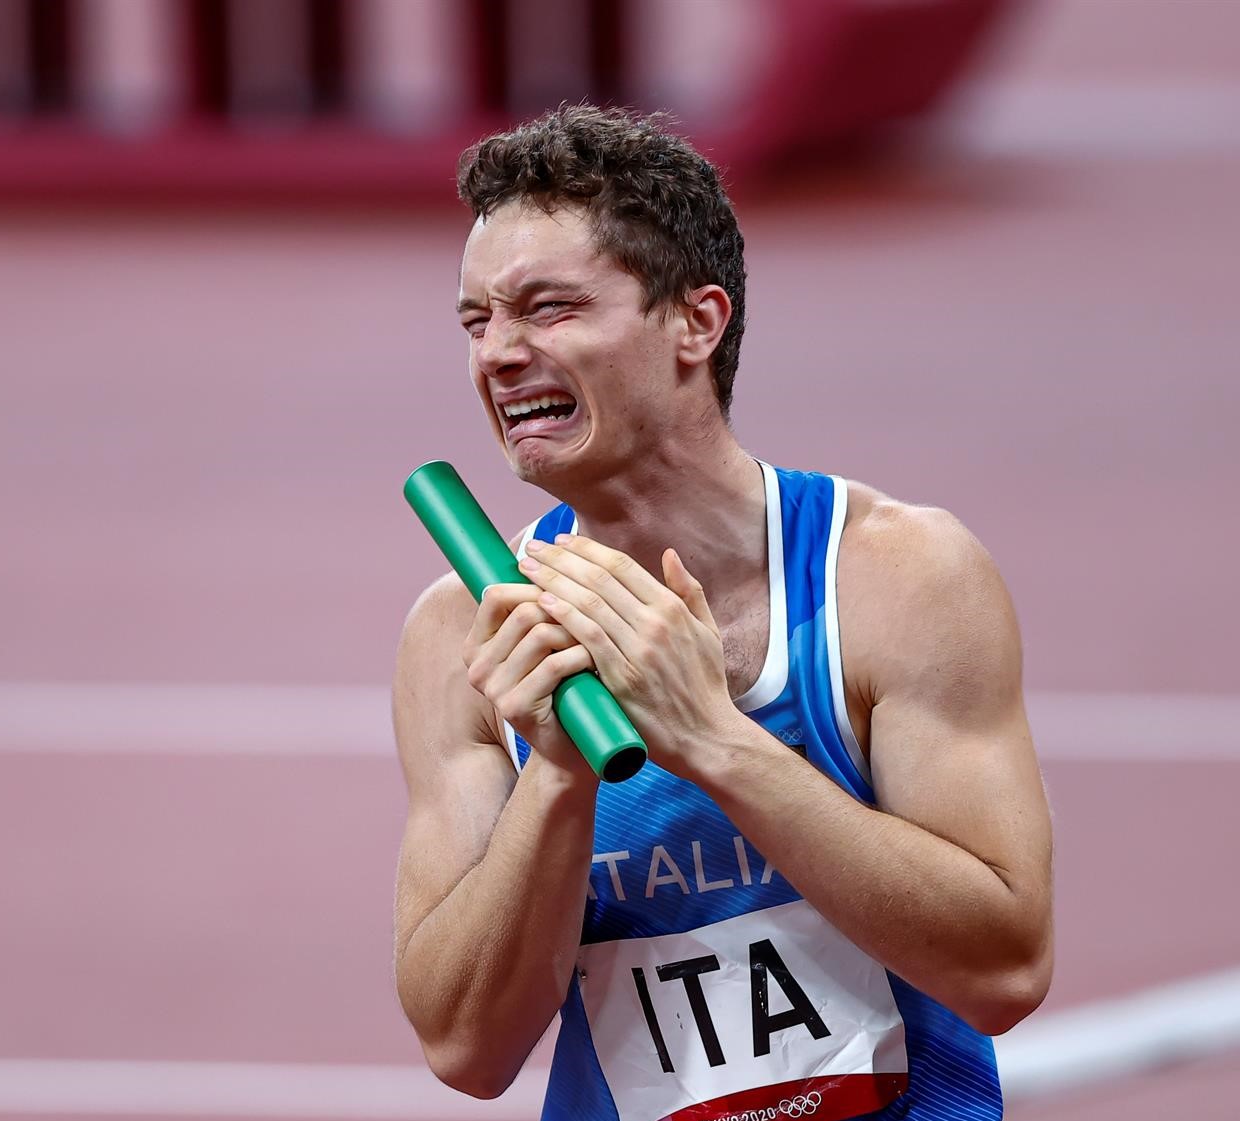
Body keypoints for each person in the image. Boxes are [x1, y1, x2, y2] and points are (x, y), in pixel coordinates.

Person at [391, 105, 1053, 1120]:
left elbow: (1002, 970)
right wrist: (559, 774)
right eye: (478, 320)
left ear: (696, 322)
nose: (500, 353)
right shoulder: (463, 633)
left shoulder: (895, 577)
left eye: (548, 307)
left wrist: (711, 738)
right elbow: (466, 1044)